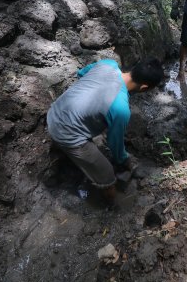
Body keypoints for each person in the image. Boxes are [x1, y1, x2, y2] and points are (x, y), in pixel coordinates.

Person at [46, 58, 164, 202]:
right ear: (144, 88)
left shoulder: (107, 64)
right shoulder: (121, 108)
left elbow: (81, 73)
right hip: (64, 133)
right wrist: (124, 160)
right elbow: (115, 146)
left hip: (54, 111)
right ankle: (110, 206)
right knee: (107, 174)